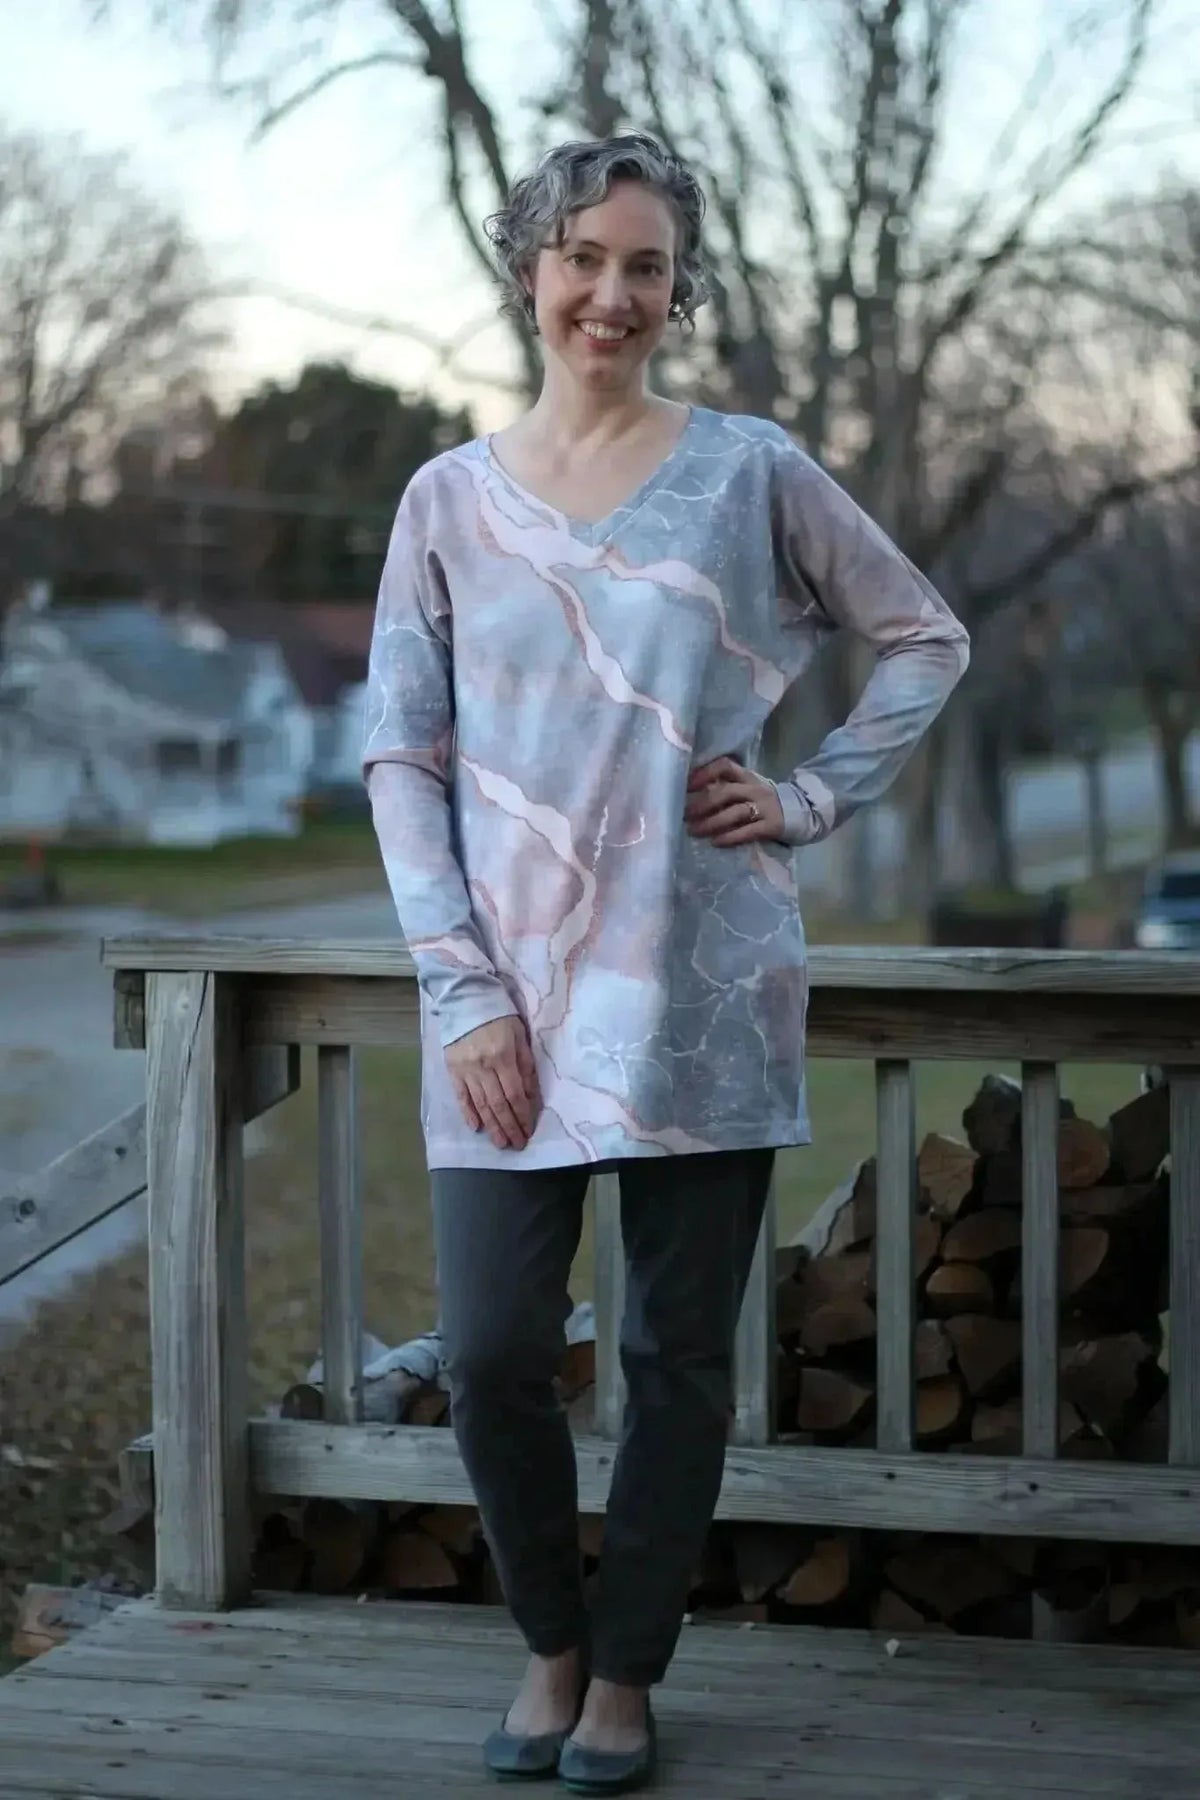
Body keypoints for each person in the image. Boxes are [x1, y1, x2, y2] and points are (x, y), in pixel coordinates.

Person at [363, 132, 969, 1794]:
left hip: (704, 983)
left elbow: (925, 633)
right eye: (580, 259)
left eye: (643, 265)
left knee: (675, 1358)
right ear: (529, 274)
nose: (610, 294)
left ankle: (625, 1676)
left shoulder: (749, 469)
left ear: (677, 286)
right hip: (506, 1009)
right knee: (491, 1350)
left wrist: (809, 794)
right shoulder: (447, 504)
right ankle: (546, 1645)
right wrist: (464, 989)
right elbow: (402, 760)